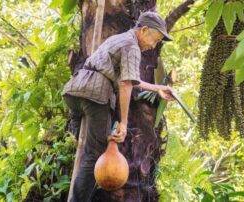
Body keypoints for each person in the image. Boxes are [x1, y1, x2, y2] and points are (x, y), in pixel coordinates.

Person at [62, 11, 175, 202]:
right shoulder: (132, 47)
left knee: (86, 143)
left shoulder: (120, 39)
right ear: (144, 30)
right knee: (94, 155)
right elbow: (125, 84)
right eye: (154, 40)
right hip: (95, 96)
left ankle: (76, 136)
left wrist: (158, 88)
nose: (152, 46)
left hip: (74, 92)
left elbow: (131, 79)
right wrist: (123, 122)